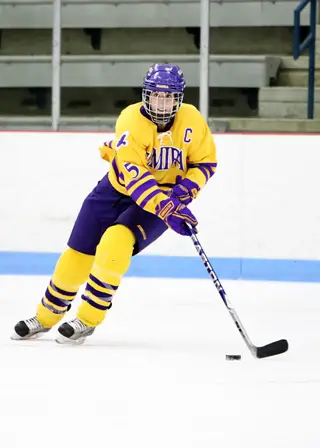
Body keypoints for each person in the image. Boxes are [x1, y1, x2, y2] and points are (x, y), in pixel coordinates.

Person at [11, 63, 217, 345]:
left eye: (169, 97)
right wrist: (168, 210)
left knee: (115, 243)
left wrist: (181, 195)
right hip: (119, 189)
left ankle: (88, 319)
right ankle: (45, 316)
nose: (162, 102)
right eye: (157, 95)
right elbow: (138, 180)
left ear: (179, 99)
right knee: (77, 252)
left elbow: (205, 163)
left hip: (163, 195)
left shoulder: (192, 119)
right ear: (146, 94)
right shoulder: (130, 119)